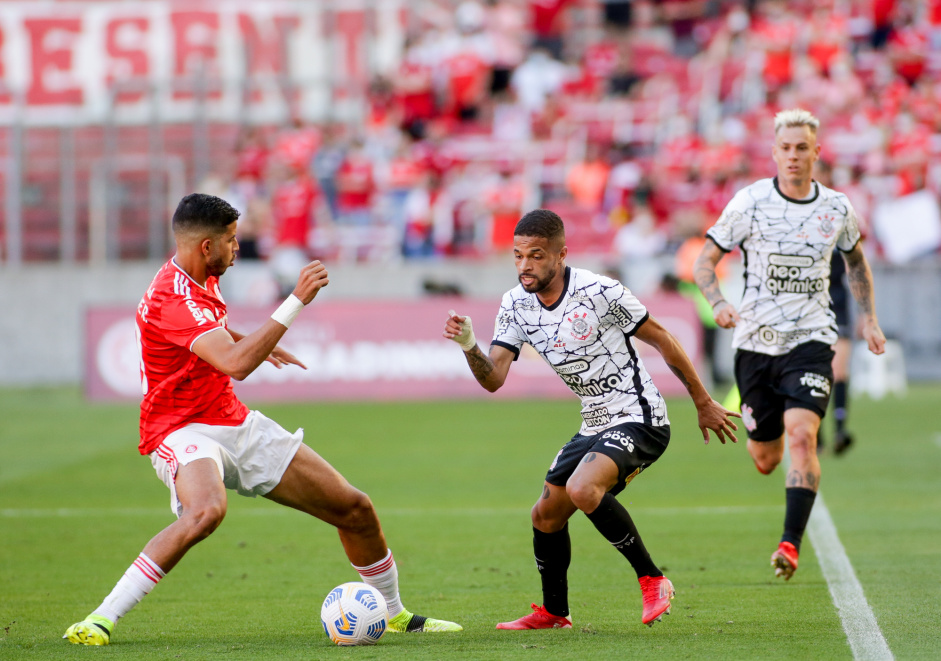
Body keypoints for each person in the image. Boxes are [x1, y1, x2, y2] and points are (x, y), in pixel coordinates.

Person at [64, 194, 461, 645]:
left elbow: (210, 333)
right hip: (180, 430)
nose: (239, 248)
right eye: (232, 241)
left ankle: (393, 613)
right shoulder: (169, 297)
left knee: (355, 508)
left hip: (232, 420)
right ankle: (100, 618)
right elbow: (234, 364)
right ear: (206, 247)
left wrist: (249, 338)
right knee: (206, 511)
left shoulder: (199, 277)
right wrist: (295, 301)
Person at [443, 209, 739, 629]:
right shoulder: (515, 304)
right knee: (544, 516)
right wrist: (470, 343)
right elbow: (494, 379)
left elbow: (664, 340)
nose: (525, 266)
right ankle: (554, 612)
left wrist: (702, 400)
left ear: (561, 255)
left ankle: (653, 579)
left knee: (583, 488)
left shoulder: (601, 291)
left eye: (536, 255)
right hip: (594, 420)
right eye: (517, 255)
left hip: (640, 415)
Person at [693, 109, 885, 582]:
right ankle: (765, 432)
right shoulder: (750, 202)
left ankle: (789, 544)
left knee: (803, 437)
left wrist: (870, 321)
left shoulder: (836, 208)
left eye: (803, 147)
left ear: (817, 152)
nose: (794, 155)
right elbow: (704, 261)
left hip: (812, 339)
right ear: (774, 152)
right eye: (786, 147)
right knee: (766, 459)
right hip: (755, 345)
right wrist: (717, 301)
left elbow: (856, 264)